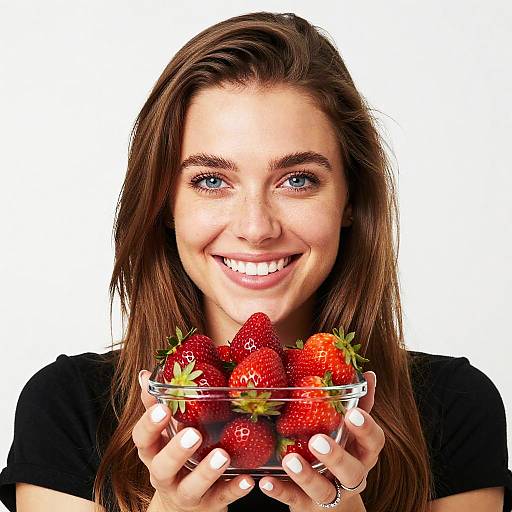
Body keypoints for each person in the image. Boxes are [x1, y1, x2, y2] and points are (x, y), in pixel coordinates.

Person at [1, 10, 511, 512]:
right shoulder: (67, 409)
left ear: (350, 200)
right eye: (211, 180)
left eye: (297, 180)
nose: (255, 227)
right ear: (163, 203)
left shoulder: (454, 409)